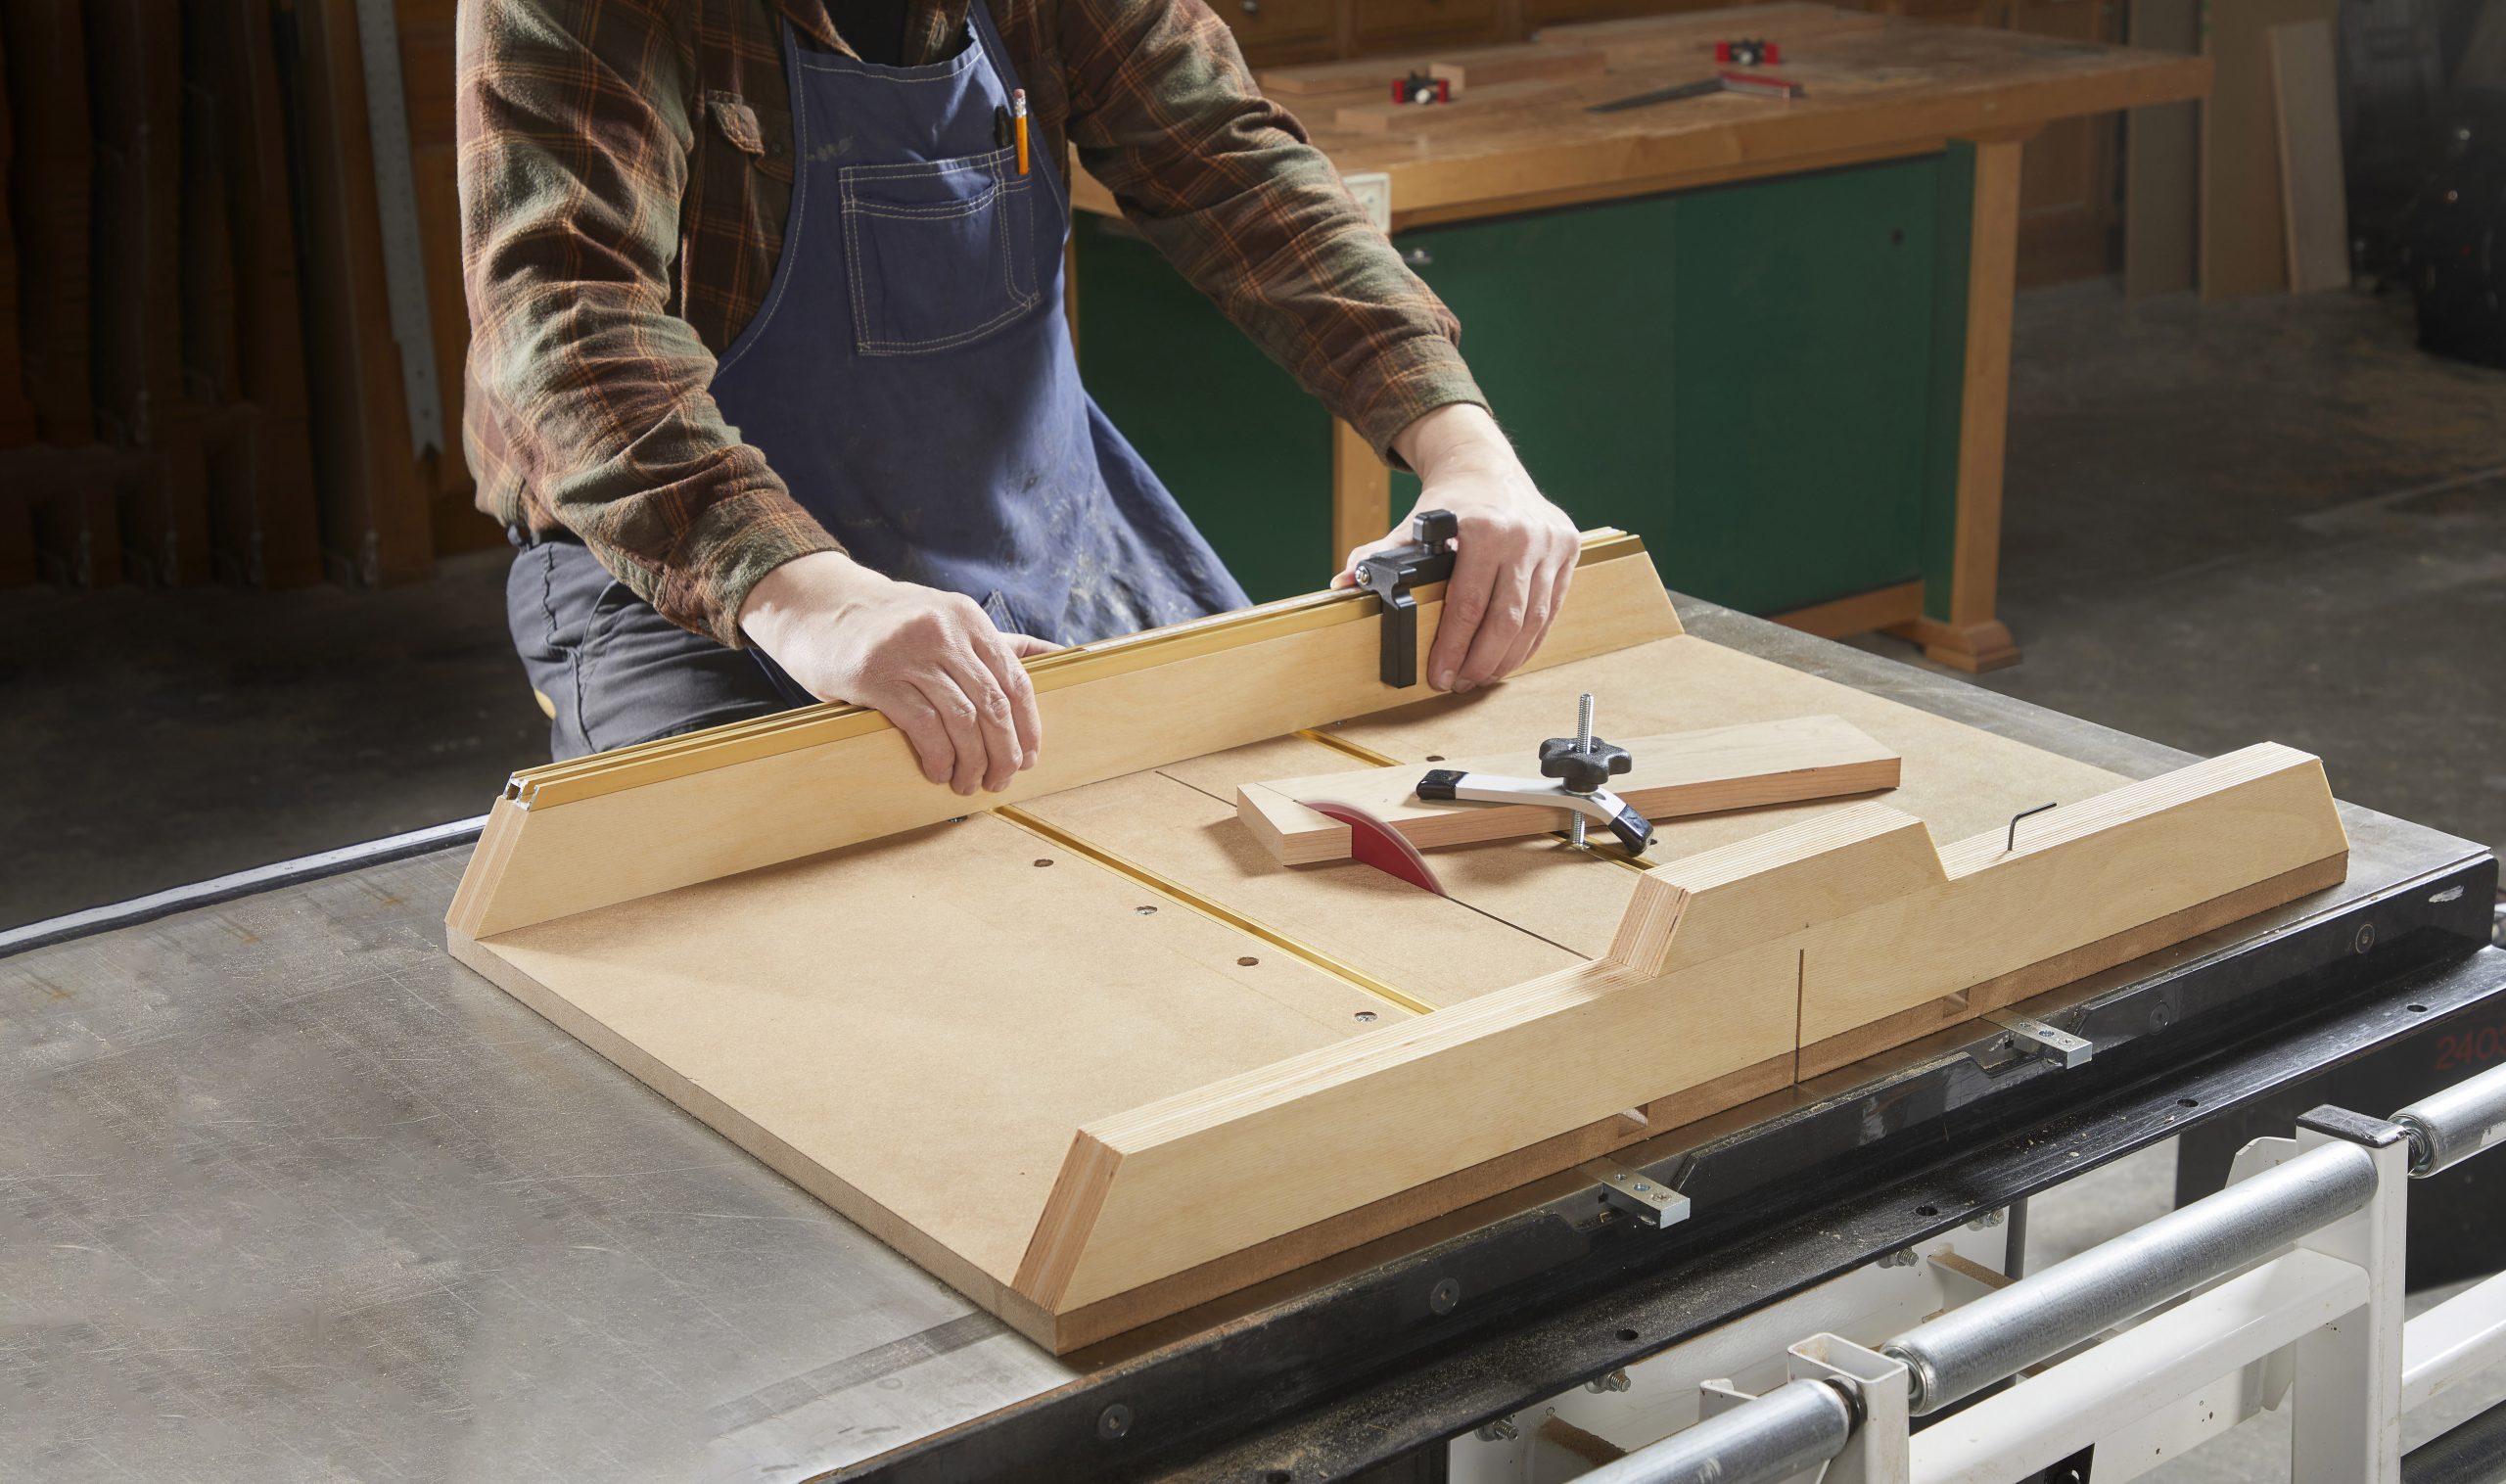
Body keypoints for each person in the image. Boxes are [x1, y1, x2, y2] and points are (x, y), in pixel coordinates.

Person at [457, 0, 1582, 791]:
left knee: (1246, 821)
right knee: (757, 951)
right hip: (691, 569)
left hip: (1032, 528)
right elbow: (568, 316)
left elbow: (1230, 164)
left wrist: (1464, 448)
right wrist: (817, 600)